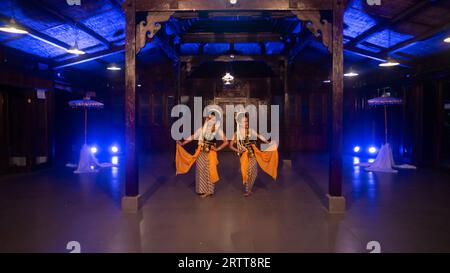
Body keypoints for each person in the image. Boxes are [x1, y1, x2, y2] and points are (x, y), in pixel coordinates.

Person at [176, 111, 228, 198]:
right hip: (201, 152)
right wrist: (183, 143)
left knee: (209, 171)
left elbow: (226, 142)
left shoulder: (217, 130)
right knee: (201, 171)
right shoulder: (201, 129)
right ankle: (202, 190)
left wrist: (217, 149)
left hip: (210, 153)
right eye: (208, 118)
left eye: (212, 119)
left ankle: (209, 191)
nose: (210, 120)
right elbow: (193, 136)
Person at [229, 113, 278, 197]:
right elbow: (230, 145)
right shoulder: (237, 134)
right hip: (244, 156)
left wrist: (268, 142)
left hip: (253, 155)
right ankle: (248, 190)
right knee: (247, 171)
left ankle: (249, 188)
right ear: (239, 123)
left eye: (247, 121)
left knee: (254, 173)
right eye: (244, 121)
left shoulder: (250, 130)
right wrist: (238, 150)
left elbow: (259, 136)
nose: (246, 123)